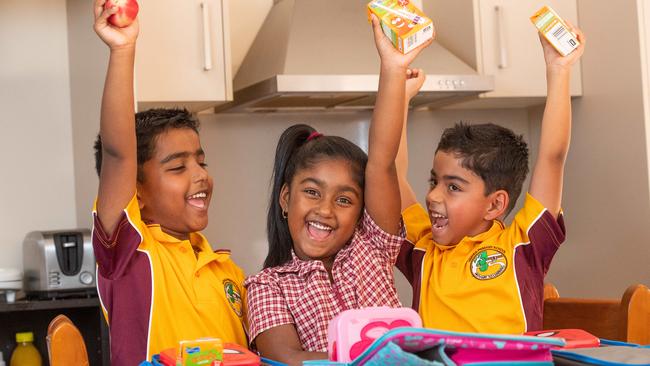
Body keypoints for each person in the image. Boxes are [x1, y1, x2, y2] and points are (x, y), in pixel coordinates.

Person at [244, 16, 432, 365]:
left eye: (344, 199)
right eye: (312, 192)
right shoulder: (267, 286)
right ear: (286, 198)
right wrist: (372, 359)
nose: (326, 210)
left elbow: (381, 161)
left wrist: (391, 66)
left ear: (362, 211)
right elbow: (287, 357)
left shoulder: (373, 247)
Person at [395, 24, 586, 334]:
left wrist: (559, 68)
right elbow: (391, 174)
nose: (432, 196)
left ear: (495, 204)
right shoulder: (422, 249)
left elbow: (552, 157)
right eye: (434, 182)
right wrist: (399, 98)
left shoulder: (521, 244)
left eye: (453, 186)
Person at [91, 1, 247, 363]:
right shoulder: (131, 253)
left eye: (201, 161)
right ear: (137, 192)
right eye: (178, 167)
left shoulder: (228, 271)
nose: (200, 175)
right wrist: (123, 48)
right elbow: (119, 154)